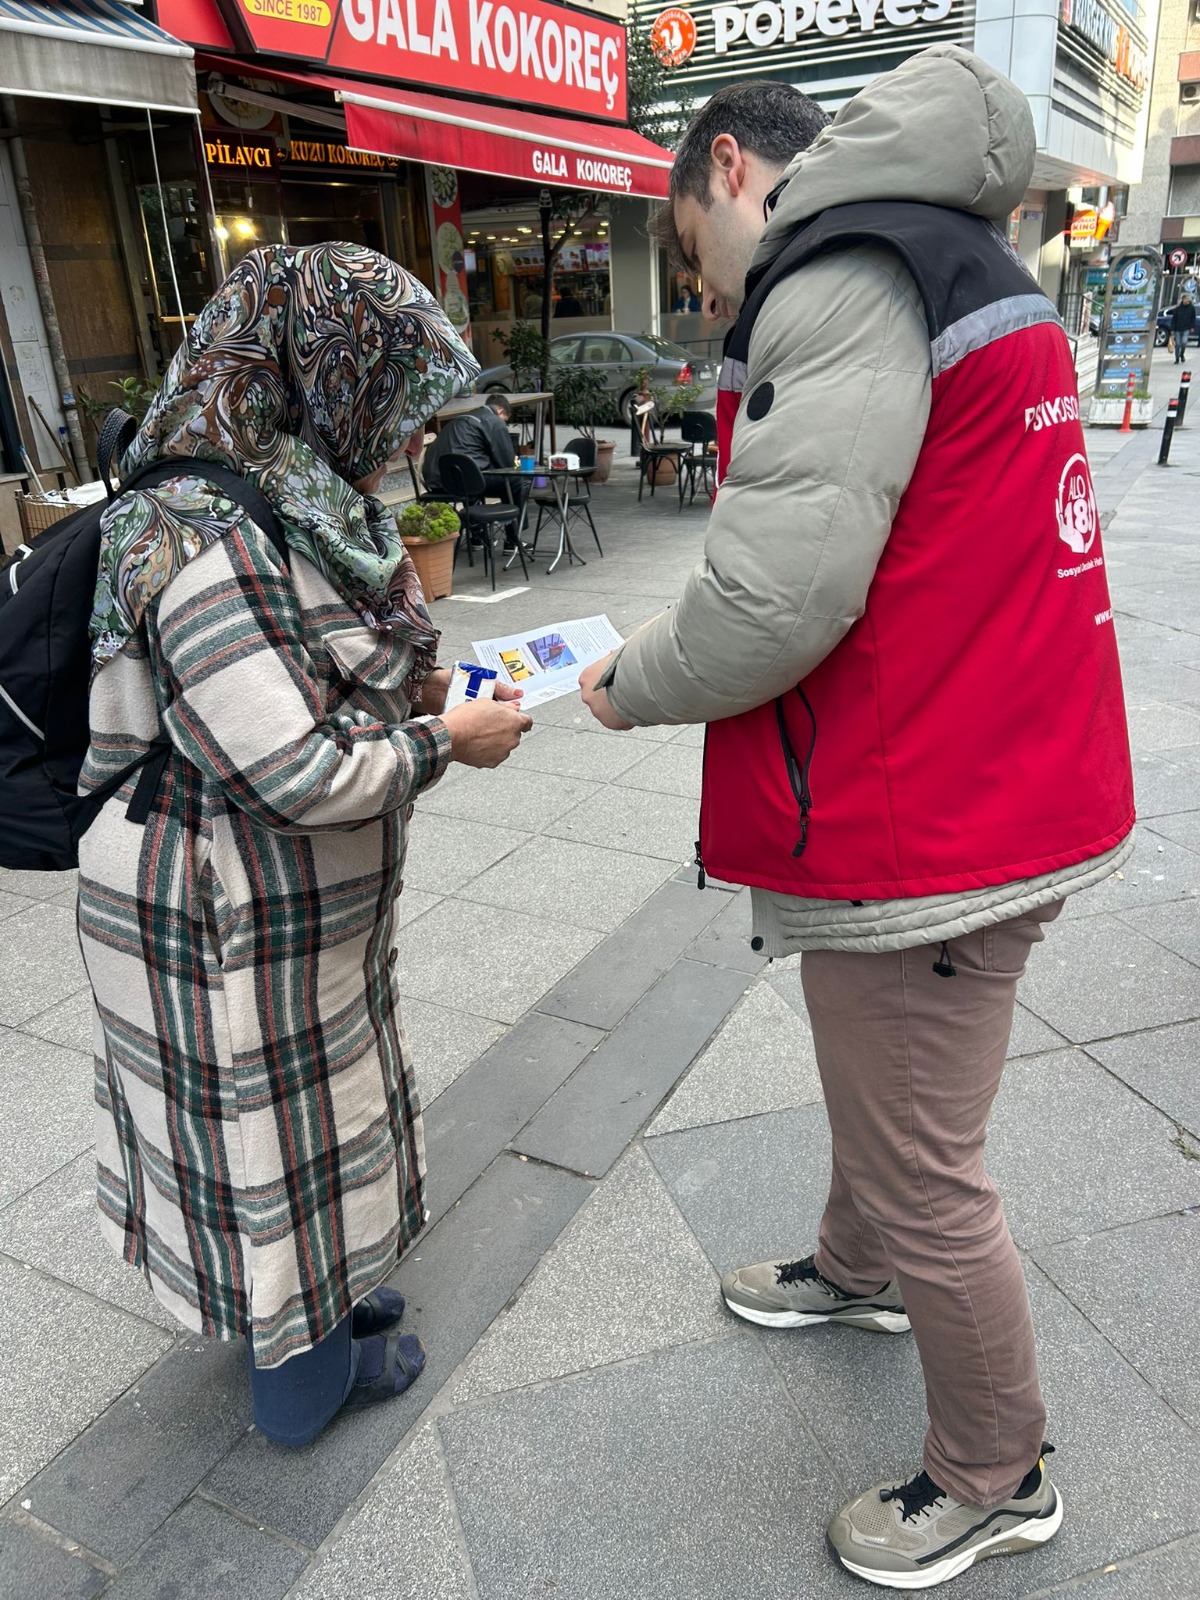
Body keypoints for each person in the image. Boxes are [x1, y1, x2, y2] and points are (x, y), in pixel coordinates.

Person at [579, 48, 1132, 1590]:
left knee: (929, 1160)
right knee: (881, 1091)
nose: (707, 299)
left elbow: (779, 595)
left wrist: (627, 681)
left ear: (733, 173)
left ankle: (993, 1467)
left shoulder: (837, 273)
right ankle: (857, 1263)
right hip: (998, 768)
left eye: (693, 257)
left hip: (939, 817)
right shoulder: (955, 249)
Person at [79, 242, 533, 1449]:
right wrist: (449, 744)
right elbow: (290, 764)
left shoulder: (286, 488)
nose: (397, 440)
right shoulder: (192, 522)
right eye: (386, 397)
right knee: (266, 1138)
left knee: (322, 1117)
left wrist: (441, 687)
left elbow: (328, 663)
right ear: (320, 371)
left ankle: (324, 1293)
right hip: (219, 913)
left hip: (290, 910)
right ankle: (304, 1376)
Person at [422, 392, 524, 506]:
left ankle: (477, 521)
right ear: (501, 411)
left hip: (437, 481)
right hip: (468, 483)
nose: (504, 423)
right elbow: (507, 463)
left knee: (474, 474)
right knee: (516, 481)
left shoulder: (461, 418)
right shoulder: (494, 421)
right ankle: (514, 523)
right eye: (505, 420)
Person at [1170, 292, 1196, 361]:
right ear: (1183, 299)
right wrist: (1172, 330)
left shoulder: (1191, 308)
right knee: (1177, 344)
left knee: (1184, 343)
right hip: (1177, 329)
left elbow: (1193, 318)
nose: (1188, 300)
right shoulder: (1177, 309)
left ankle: (1182, 354)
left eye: (1189, 299)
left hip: (1186, 328)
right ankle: (1177, 358)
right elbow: (1174, 319)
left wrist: (1192, 326)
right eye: (1187, 299)